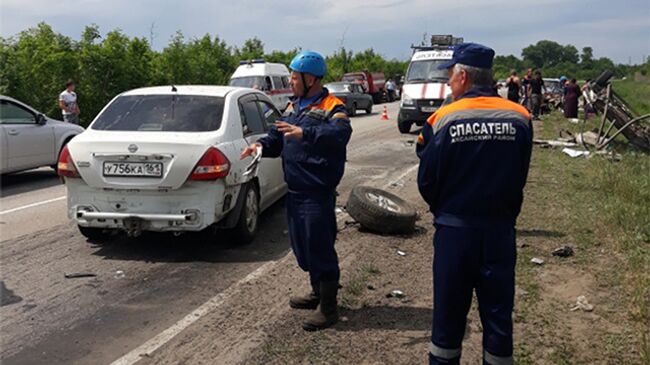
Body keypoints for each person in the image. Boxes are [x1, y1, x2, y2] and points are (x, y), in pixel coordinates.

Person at [416, 42, 533, 365]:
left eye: (450, 76)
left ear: (463, 76)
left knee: (448, 321)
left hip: (456, 232)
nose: (449, 83)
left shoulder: (442, 119)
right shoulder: (520, 116)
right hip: (499, 231)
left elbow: (426, 179)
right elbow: (521, 172)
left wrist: (446, 209)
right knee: (498, 321)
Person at [240, 50, 352, 331]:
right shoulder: (293, 106)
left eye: (293, 76)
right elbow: (277, 136)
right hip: (296, 191)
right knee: (303, 247)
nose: (290, 81)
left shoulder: (332, 106)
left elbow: (340, 135)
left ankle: (329, 308)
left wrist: (308, 133)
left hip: (317, 191)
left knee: (320, 247)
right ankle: (317, 292)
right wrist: (261, 145)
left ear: (310, 78)